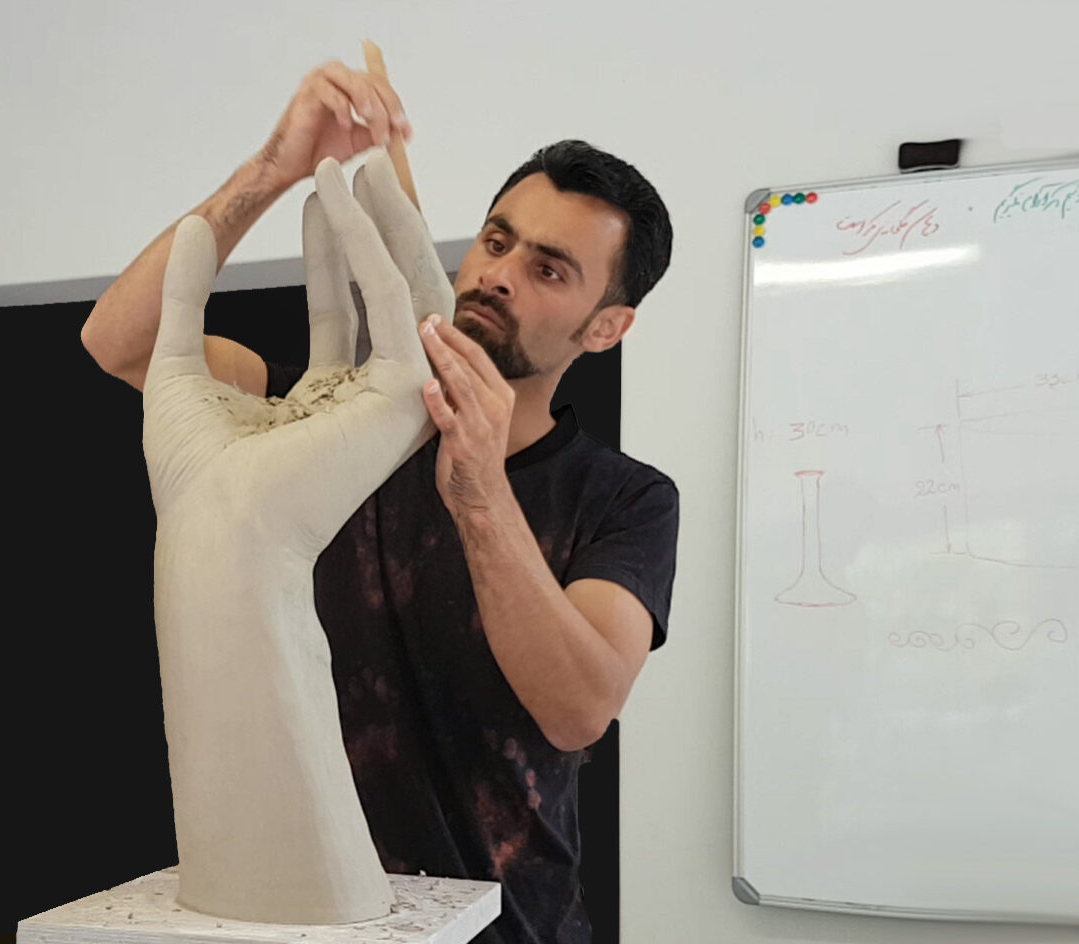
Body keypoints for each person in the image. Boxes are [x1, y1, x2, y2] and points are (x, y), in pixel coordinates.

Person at [81, 60, 679, 944]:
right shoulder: (325, 418)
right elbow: (121, 342)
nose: (500, 274)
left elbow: (578, 706)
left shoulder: (625, 498)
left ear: (606, 327)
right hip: (314, 922)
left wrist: (479, 488)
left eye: (550, 270)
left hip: (508, 930)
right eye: (497, 240)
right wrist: (276, 167)